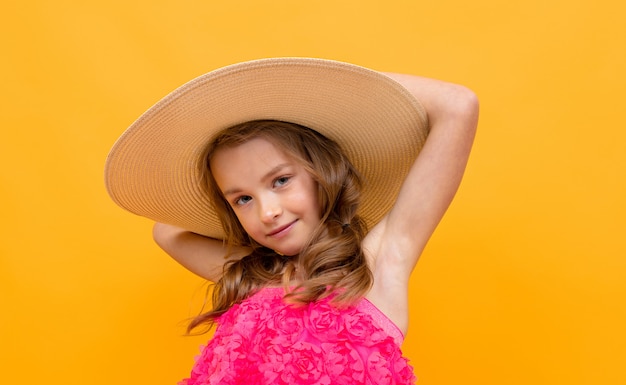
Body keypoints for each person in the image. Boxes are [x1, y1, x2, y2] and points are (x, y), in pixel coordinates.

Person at [104, 58, 478, 384]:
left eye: (281, 180)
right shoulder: (253, 276)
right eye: (243, 198)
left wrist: (319, 88)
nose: (267, 212)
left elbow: (457, 105)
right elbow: (167, 230)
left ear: (322, 173)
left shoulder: (381, 262)